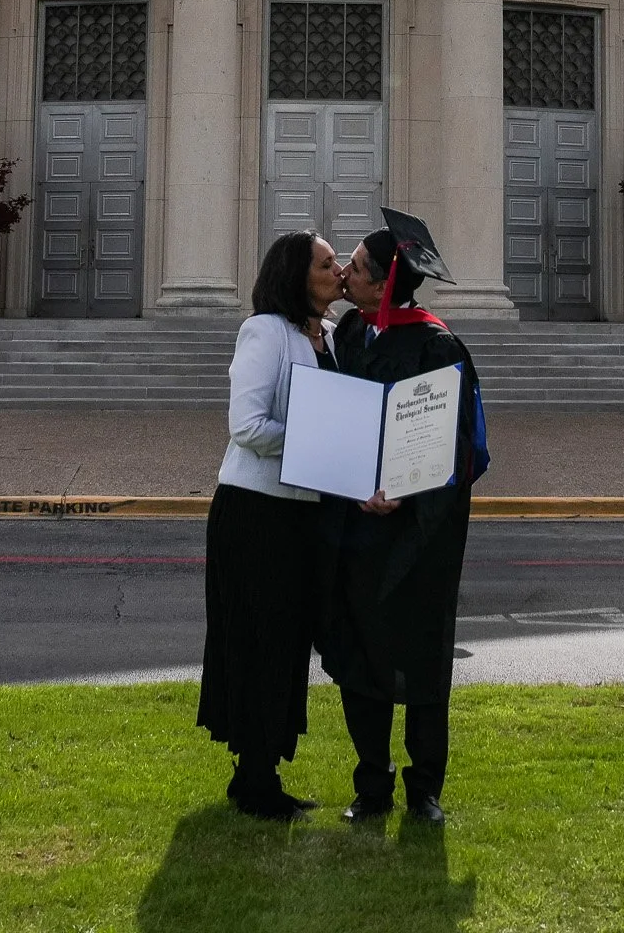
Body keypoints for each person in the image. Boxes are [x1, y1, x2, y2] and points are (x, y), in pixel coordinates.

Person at [318, 208, 487, 827]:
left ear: (388, 281)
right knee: (361, 659)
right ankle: (372, 785)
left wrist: (404, 494)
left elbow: (455, 448)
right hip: (357, 526)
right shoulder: (347, 337)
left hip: (419, 537)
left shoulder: (437, 345)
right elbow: (331, 423)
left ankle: (425, 790)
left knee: (420, 658)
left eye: (359, 269)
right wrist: (352, 485)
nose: (346, 275)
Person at [197, 228, 344, 820]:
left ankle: (263, 771)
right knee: (256, 642)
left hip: (306, 515)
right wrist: (321, 443)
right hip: (256, 514)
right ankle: (253, 778)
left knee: (288, 646)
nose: (338, 271)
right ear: (296, 274)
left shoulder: (332, 336)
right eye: (328, 262)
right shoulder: (264, 332)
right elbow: (247, 426)